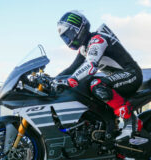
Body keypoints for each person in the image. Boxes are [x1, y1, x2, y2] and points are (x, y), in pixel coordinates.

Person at [55, 10, 143, 139]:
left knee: (96, 84)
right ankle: (109, 129)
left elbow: (90, 66)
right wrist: (53, 80)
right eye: (65, 37)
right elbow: (71, 69)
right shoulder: (85, 48)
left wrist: (71, 80)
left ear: (79, 28)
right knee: (85, 87)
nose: (68, 39)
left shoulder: (98, 39)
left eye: (69, 34)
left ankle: (131, 121)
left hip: (131, 74)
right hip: (116, 79)